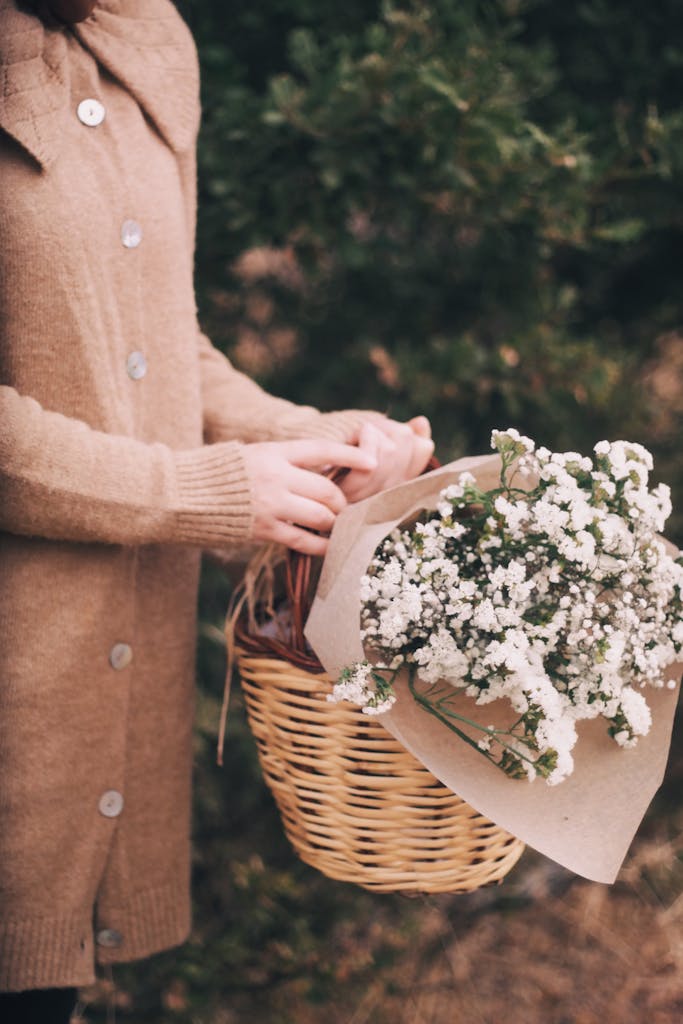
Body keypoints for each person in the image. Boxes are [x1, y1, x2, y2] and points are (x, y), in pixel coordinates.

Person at [0, 0, 434, 1019]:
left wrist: (316, 438)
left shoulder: (145, 36)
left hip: (90, 693)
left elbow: (162, 346)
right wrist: (200, 491)